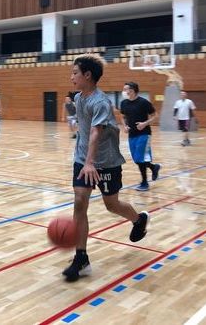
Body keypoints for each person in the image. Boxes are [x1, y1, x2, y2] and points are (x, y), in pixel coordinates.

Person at [63, 54, 149, 282]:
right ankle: (81, 258)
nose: (71, 77)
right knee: (80, 201)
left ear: (87, 75)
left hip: (106, 162)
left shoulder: (100, 102)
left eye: (75, 73)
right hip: (83, 159)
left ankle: (138, 220)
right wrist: (85, 160)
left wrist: (91, 162)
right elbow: (84, 130)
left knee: (112, 205)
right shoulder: (80, 98)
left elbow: (96, 132)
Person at [120, 82, 161, 191]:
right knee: (137, 159)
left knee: (140, 158)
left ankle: (144, 183)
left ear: (132, 90)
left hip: (144, 134)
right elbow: (122, 117)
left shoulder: (143, 102)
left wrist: (144, 124)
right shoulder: (124, 103)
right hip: (131, 134)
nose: (124, 91)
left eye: (125, 89)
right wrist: (125, 126)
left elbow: (155, 116)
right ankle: (154, 167)